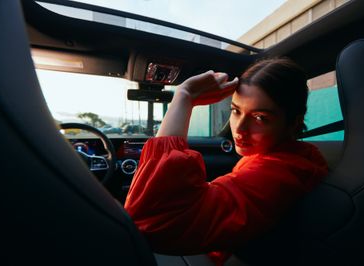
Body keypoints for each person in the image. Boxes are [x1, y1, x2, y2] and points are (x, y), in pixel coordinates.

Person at [124, 58, 328, 265]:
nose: (239, 129)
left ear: (293, 123)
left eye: (260, 118)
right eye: (235, 110)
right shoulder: (286, 158)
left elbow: (149, 221)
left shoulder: (281, 171)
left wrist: (184, 96)